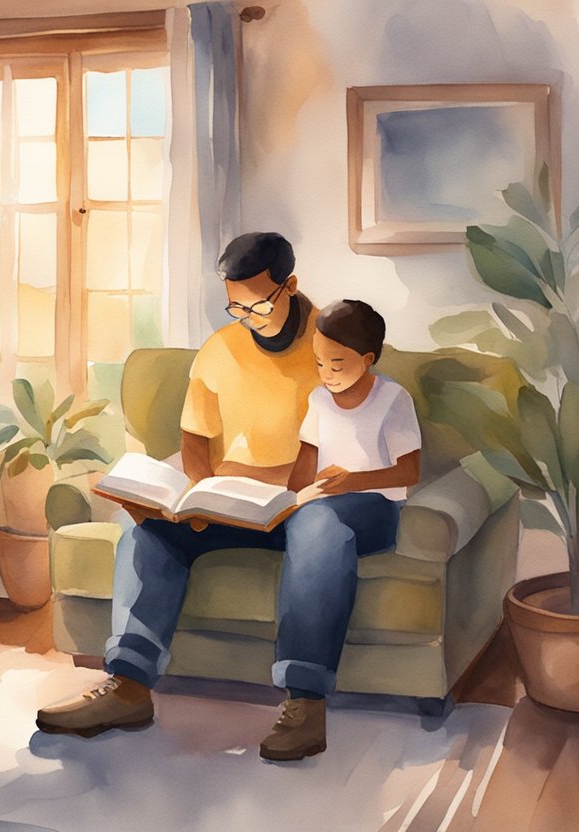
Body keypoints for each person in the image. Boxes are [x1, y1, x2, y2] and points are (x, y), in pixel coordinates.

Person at [37, 232, 416, 761]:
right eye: (234, 304)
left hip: (318, 499)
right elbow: (195, 441)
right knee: (148, 529)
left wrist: (276, 480)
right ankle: (128, 685)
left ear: (290, 287)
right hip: (242, 503)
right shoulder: (220, 350)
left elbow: (353, 448)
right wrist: (199, 493)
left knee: (319, 525)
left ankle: (304, 701)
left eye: (257, 302)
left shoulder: (332, 342)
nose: (246, 316)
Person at [262, 298, 421, 760]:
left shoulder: (392, 399)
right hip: (322, 503)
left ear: (367, 360)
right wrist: (276, 500)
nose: (326, 373)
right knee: (303, 516)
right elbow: (303, 469)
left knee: (317, 525)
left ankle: (305, 699)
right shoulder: (317, 400)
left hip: (373, 508)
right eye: (318, 362)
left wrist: (352, 482)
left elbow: (408, 472)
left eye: (337, 363)